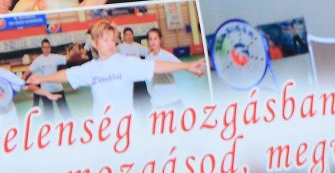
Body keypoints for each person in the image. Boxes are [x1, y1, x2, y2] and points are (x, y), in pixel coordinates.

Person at [25, 19, 204, 115]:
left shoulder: (125, 63)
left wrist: (186, 65)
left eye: (112, 39)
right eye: (105, 40)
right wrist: (42, 79)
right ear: (95, 43)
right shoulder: (91, 68)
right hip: (103, 131)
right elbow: (66, 75)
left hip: (126, 129)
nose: (111, 43)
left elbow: (155, 66)